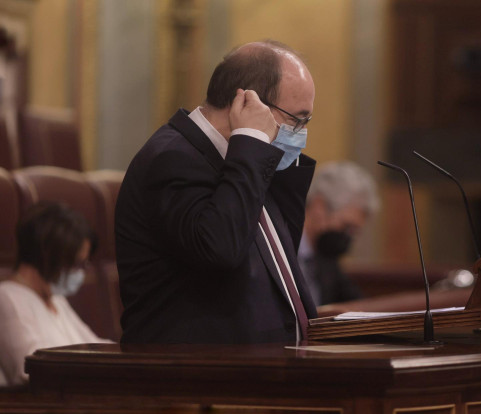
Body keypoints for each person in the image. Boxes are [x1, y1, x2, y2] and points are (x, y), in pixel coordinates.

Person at [115, 40, 318, 344]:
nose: (301, 133)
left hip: (262, 370)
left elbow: (280, 258)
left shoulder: (242, 161)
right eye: (297, 119)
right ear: (248, 104)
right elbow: (220, 249)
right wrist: (251, 140)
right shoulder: (173, 159)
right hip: (195, 376)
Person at [0, 202, 110, 387]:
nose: (81, 272)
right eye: (77, 264)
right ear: (49, 256)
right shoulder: (7, 299)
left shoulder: (56, 299)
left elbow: (95, 346)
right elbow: (31, 372)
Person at [298, 161, 379, 305]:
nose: (348, 236)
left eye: (355, 231)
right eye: (346, 226)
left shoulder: (326, 258)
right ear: (319, 206)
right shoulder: (280, 248)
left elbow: (358, 304)